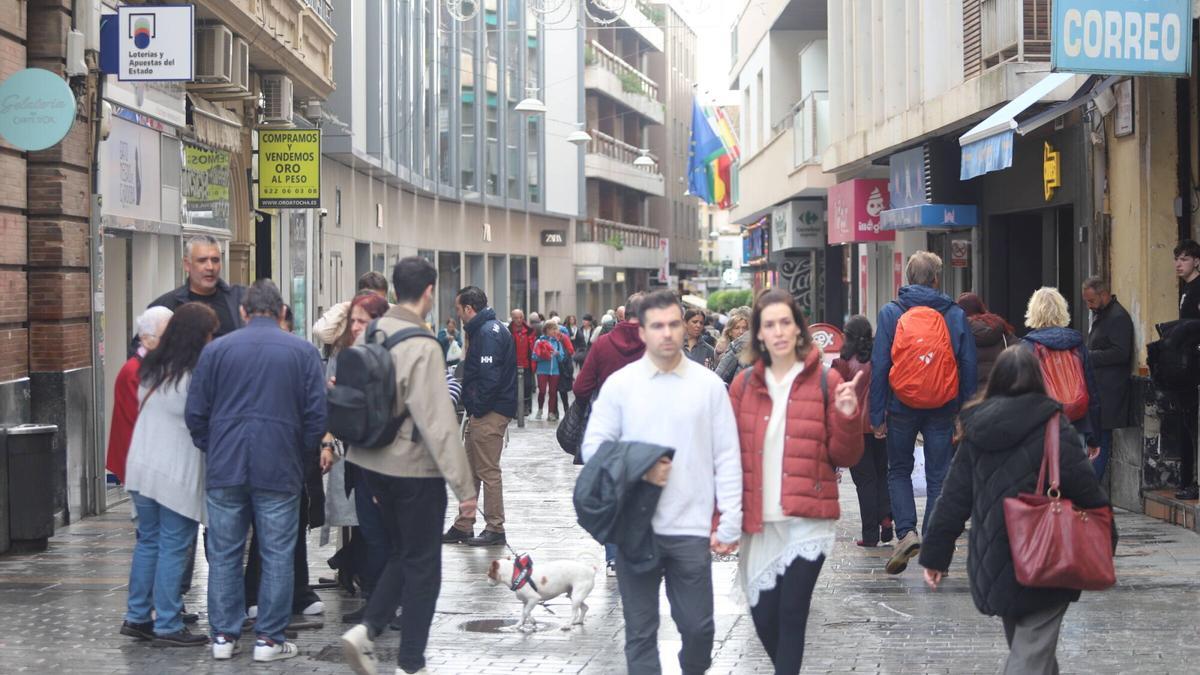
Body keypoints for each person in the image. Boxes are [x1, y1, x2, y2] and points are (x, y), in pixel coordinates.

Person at [920, 346, 1116, 675]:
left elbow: (952, 498)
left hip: (996, 560)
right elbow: (1088, 492)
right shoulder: (1055, 427)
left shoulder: (975, 430)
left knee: (1032, 653)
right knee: (1031, 656)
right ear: (1039, 381)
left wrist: (935, 556)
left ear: (996, 380)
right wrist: (1106, 541)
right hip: (1051, 555)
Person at [581, 290, 742, 675]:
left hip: (690, 527)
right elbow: (593, 448)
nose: (667, 333)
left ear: (682, 325)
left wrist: (732, 518)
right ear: (643, 331)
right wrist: (637, 465)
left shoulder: (708, 386)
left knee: (699, 629)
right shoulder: (621, 386)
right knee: (640, 632)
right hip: (637, 526)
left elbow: (728, 455)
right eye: (658, 326)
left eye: (674, 323)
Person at [339, 257, 477, 675]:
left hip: (373, 463)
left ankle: (367, 629)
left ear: (395, 290)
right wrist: (465, 489)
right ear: (430, 292)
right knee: (425, 571)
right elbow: (438, 422)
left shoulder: (375, 331)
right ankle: (410, 664)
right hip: (415, 471)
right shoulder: (423, 343)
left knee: (403, 554)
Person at [185, 280, 327, 662]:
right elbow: (316, 416)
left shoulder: (215, 351)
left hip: (226, 466)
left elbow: (195, 413)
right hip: (279, 467)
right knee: (279, 552)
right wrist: (300, 453)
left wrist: (213, 447)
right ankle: (269, 639)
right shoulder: (303, 353)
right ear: (282, 312)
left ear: (244, 312)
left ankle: (223, 637)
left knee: (225, 552)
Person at [729, 289, 863, 674]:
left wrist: (849, 417)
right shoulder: (742, 386)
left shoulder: (826, 379)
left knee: (792, 614)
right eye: (769, 324)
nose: (779, 331)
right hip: (759, 523)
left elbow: (846, 456)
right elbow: (729, 456)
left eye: (786, 322)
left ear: (799, 328)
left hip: (807, 518)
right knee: (763, 616)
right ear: (758, 334)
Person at [869, 251, 977, 576]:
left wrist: (877, 415)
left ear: (908, 278)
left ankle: (906, 533)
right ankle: (930, 538)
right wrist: (966, 413)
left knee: (899, 469)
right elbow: (968, 365)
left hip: (901, 406)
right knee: (939, 476)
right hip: (943, 407)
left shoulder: (891, 312)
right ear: (936, 279)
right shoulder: (954, 314)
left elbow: (880, 366)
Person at [121, 303, 219, 647]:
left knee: (149, 542)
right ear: (198, 337)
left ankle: (137, 616)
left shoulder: (151, 367)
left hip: (141, 466)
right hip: (174, 472)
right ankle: (167, 623)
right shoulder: (194, 375)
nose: (212, 341)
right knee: (174, 546)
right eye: (210, 335)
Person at [320, 291, 393, 624]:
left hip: (387, 461)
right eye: (353, 321)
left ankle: (390, 605)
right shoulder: (350, 354)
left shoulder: (394, 355)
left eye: (364, 321)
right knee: (372, 533)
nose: (357, 327)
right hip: (359, 459)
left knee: (386, 536)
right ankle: (373, 602)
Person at [445, 286, 517, 547]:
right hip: (485, 411)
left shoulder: (488, 333)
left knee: (487, 471)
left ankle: (495, 528)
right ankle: (464, 525)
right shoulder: (487, 330)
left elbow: (489, 379)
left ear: (468, 308)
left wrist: (476, 406)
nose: (458, 315)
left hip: (489, 413)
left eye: (458, 309)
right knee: (471, 471)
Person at [1020, 287, 1102, 461]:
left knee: (1042, 483)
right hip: (1076, 425)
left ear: (1033, 312)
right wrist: (1094, 438)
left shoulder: (1027, 347)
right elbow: (1092, 393)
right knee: (1073, 481)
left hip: (1039, 429)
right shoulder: (1077, 345)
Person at [832, 315, 892, 547]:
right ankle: (886, 518)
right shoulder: (881, 359)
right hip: (881, 424)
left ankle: (870, 535)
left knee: (865, 481)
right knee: (882, 475)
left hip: (855, 428)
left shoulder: (843, 362)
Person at [106, 306, 173, 485]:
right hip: (142, 463)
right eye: (165, 337)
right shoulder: (134, 371)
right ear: (145, 338)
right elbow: (136, 421)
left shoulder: (149, 367)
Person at [1082, 277, 1134, 482]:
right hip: (1100, 389)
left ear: (1104, 294)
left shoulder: (1117, 317)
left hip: (1109, 392)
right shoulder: (1103, 314)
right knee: (1096, 441)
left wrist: (1088, 355)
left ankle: (1090, 494)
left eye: (1091, 301)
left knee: (1100, 442)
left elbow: (1121, 353)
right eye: (1086, 301)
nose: (1089, 305)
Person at [150, 235, 246, 338]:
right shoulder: (166, 305)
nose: (210, 267)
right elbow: (140, 349)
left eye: (215, 260)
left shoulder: (242, 299)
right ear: (187, 264)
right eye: (202, 260)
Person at [1172, 239, 1200, 499]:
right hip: (1185, 365)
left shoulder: (1197, 289)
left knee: (1193, 424)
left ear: (1196, 261)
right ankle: (1186, 479)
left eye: (1184, 259)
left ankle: (1193, 481)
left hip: (1194, 365)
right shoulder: (1186, 290)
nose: (1179, 264)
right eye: (1177, 259)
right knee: (1185, 423)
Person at [957, 292, 1016, 391]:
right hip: (998, 389)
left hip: (969, 391)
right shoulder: (998, 326)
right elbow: (1020, 352)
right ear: (980, 306)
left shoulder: (959, 330)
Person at [312, 271, 390, 346]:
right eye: (370, 300)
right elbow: (322, 332)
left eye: (379, 300)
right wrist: (349, 305)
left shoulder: (390, 312)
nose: (375, 305)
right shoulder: (346, 316)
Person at [531, 320, 567, 421]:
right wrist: (544, 356)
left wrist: (557, 354)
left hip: (554, 371)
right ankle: (540, 409)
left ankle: (550, 413)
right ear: (546, 330)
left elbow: (562, 358)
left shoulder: (558, 343)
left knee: (553, 392)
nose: (554, 331)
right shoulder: (539, 341)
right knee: (542, 391)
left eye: (555, 329)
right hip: (542, 371)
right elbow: (534, 357)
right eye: (552, 329)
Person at [509, 309, 537, 419]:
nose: (518, 320)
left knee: (528, 386)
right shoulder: (508, 331)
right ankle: (515, 408)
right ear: (512, 318)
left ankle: (526, 406)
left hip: (527, 364)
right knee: (514, 387)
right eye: (516, 318)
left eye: (520, 317)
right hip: (513, 364)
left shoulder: (529, 331)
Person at [715, 310, 752, 385]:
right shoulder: (721, 348)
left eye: (744, 328)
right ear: (730, 331)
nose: (741, 331)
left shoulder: (748, 349)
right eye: (737, 328)